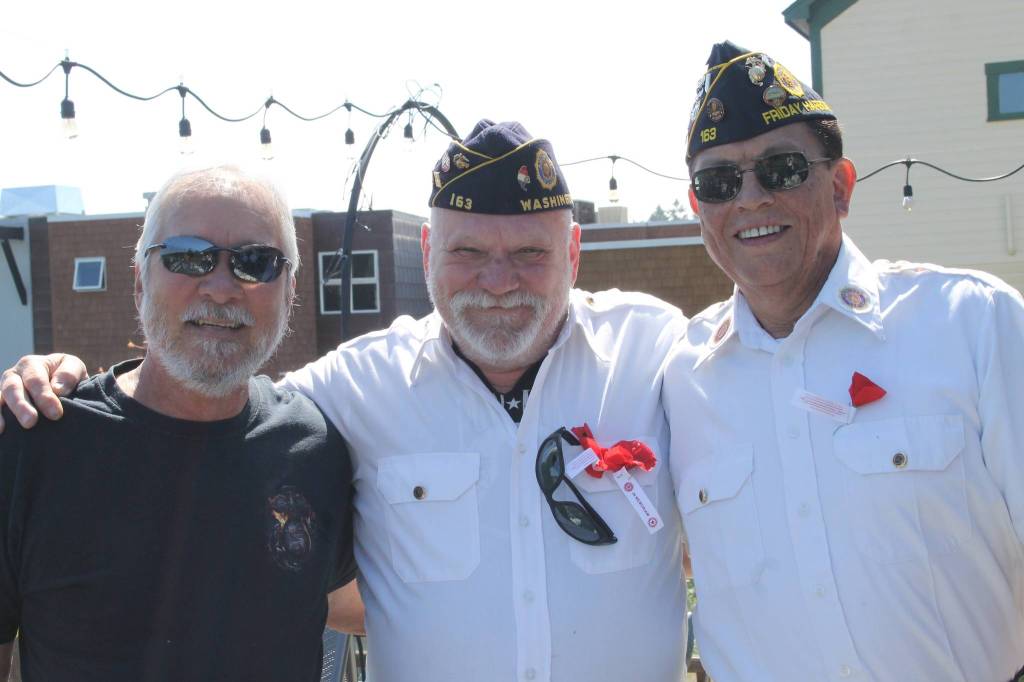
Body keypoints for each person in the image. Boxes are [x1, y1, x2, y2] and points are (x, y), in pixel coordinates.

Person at [1, 121, 689, 682]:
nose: (499, 280)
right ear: (426, 252)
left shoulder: (660, 357)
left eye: (256, 263)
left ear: (574, 251)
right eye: (469, 250)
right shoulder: (348, 392)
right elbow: (195, 390)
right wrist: (58, 380)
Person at [664, 41, 1024, 682]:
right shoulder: (677, 380)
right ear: (699, 209)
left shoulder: (974, 325)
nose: (748, 199)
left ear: (841, 185)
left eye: (780, 169)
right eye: (718, 182)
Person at [0, 166, 357, 681]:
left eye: (256, 263)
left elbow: (377, 603)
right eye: (189, 256)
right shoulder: (36, 441)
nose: (221, 286)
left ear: (290, 291)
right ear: (140, 279)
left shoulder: (315, 446)